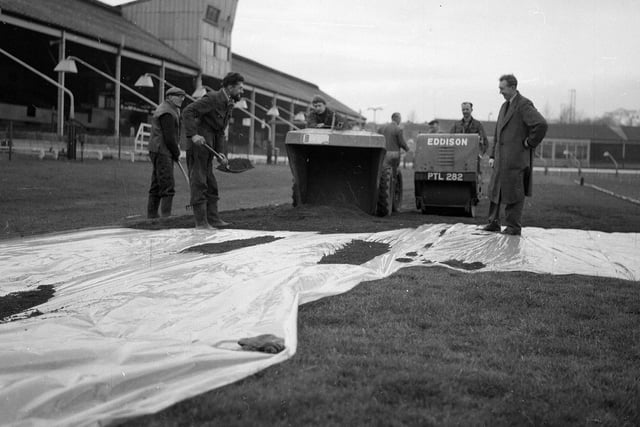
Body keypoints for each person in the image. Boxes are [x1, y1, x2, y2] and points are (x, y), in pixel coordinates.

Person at [483, 74, 548, 236]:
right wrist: (492, 155)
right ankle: (493, 223)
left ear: (513, 87)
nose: (500, 92)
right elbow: (498, 134)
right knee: (495, 190)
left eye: (502, 89)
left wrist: (529, 143)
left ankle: (513, 226)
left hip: (516, 160)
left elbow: (541, 125)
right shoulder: (504, 106)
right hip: (500, 160)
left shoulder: (524, 105)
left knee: (514, 192)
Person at [182, 72, 245, 229]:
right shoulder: (212, 98)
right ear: (230, 87)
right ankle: (201, 223)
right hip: (198, 146)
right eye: (240, 88)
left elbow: (220, 131)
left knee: (211, 184)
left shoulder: (228, 103)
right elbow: (187, 112)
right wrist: (193, 134)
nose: (242, 92)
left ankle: (214, 219)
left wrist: (221, 152)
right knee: (199, 182)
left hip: (209, 147)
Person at [146, 86, 186, 219]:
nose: (182, 99)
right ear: (169, 97)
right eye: (179, 96)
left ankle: (152, 216)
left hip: (159, 150)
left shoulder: (169, 109)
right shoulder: (167, 111)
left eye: (183, 96)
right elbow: (169, 137)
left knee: (157, 184)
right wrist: (176, 152)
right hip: (162, 150)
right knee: (167, 185)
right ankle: (166, 217)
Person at [378, 112, 410, 178]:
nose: (400, 120)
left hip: (383, 153)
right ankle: (394, 184)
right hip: (394, 153)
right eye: (400, 118)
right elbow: (401, 142)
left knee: (383, 172)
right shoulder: (398, 129)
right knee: (394, 173)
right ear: (396, 118)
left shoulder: (381, 128)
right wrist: (407, 149)